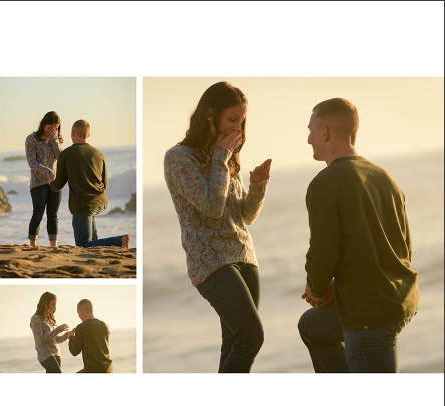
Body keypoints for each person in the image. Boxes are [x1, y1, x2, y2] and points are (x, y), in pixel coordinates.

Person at [299, 98, 419, 373]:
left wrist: (316, 290)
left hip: (369, 314)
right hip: (402, 299)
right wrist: (333, 289)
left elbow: (323, 253)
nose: (308, 139)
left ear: (325, 132)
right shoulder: (383, 176)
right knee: (312, 327)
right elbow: (404, 246)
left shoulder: (325, 184)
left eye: (311, 130)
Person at [163, 82, 272, 373]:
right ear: (210, 115)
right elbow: (211, 206)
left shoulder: (225, 157)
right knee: (252, 336)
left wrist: (258, 185)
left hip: (245, 256)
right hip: (210, 261)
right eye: (233, 119)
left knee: (236, 342)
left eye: (242, 120)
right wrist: (221, 157)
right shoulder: (178, 158)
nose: (239, 127)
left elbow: (245, 216)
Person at [50, 119, 130, 248]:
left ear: (72, 133)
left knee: (82, 245)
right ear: (88, 135)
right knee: (92, 243)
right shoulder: (99, 154)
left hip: (82, 206)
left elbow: (58, 185)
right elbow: (104, 182)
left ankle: (119, 241)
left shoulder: (65, 154)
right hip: (101, 201)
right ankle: (106, 246)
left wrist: (50, 183)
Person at [25, 111, 63, 247]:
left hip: (54, 183)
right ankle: (32, 245)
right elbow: (31, 162)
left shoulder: (56, 139)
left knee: (53, 215)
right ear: (44, 125)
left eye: (56, 128)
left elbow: (60, 157)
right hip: (38, 183)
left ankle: (53, 246)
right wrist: (48, 172)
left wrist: (54, 139)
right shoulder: (31, 139)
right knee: (38, 214)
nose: (53, 130)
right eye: (51, 127)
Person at [29, 292, 71, 373]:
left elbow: (55, 340)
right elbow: (40, 340)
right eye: (52, 304)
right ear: (45, 304)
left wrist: (65, 336)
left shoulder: (48, 318)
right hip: (46, 356)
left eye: (55, 304)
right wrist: (58, 329)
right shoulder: (35, 319)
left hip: (56, 354)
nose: (55, 307)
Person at [67, 299, 113, 373]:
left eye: (78, 313)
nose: (79, 316)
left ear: (81, 311)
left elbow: (74, 351)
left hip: (93, 370)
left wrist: (71, 337)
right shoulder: (105, 325)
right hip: (108, 369)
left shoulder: (81, 327)